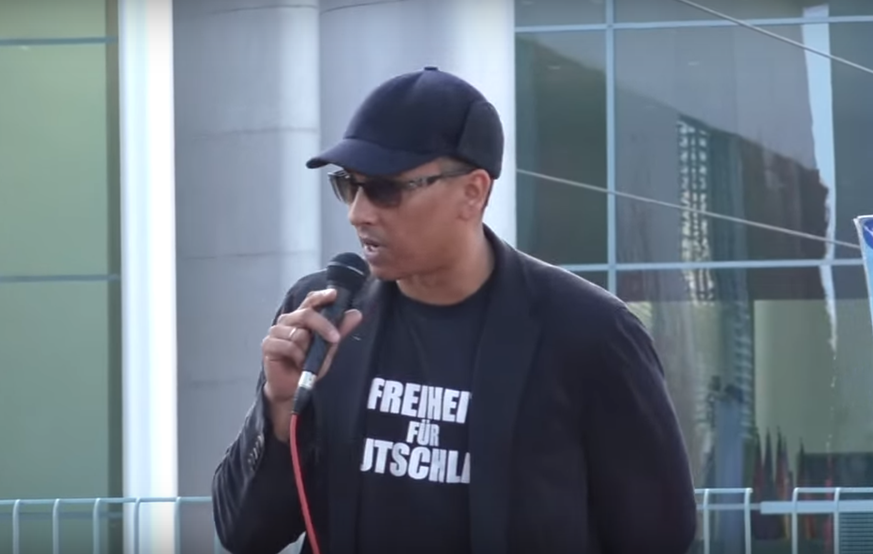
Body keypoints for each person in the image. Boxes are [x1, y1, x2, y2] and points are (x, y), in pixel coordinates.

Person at [211, 66, 698, 554]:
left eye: (385, 189)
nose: (359, 212)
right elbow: (245, 534)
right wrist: (276, 410)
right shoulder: (322, 314)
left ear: (473, 192)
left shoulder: (591, 334)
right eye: (348, 186)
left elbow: (661, 534)